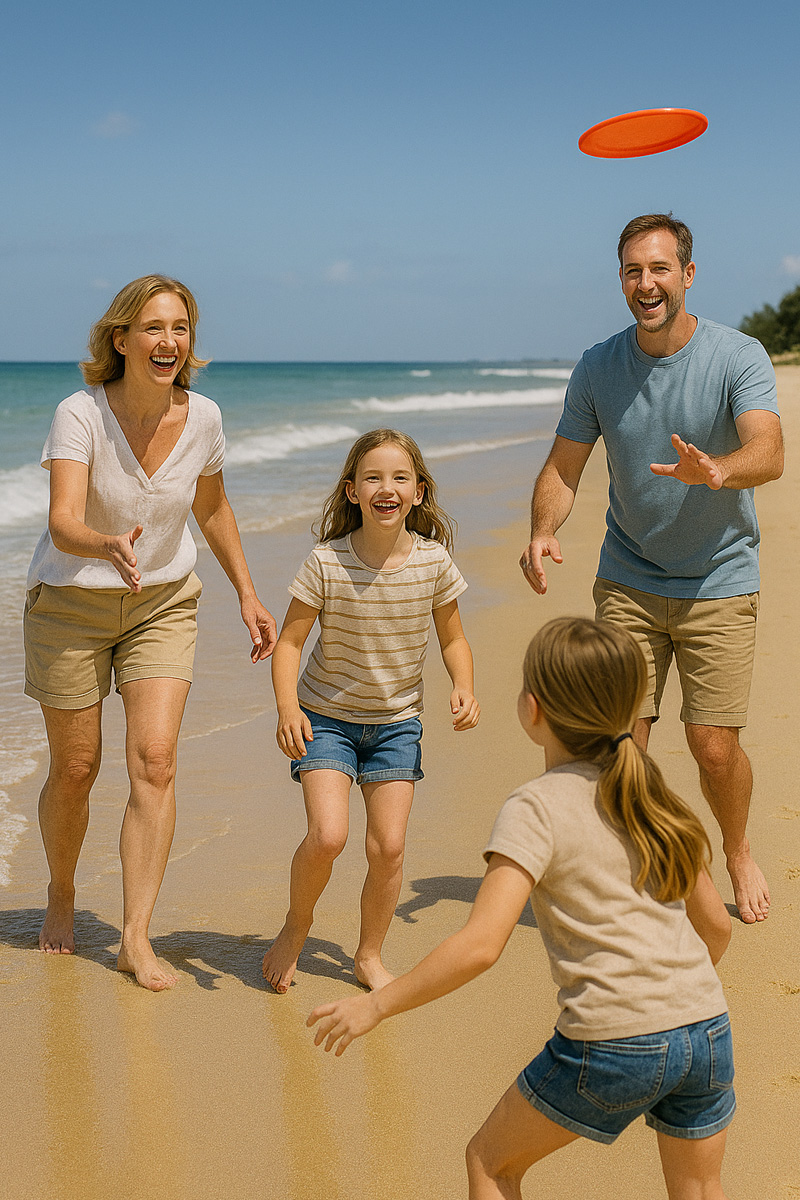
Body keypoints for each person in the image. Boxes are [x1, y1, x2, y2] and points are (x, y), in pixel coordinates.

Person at [309, 617, 735, 1200]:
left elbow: (482, 946)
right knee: (700, 1189)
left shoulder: (535, 807)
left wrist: (379, 1004)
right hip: (706, 1029)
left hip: (614, 1039)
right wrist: (674, 1003)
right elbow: (714, 926)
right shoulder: (656, 795)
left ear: (532, 709)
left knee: (491, 1161)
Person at [519, 212, 784, 925]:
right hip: (630, 577)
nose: (647, 283)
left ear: (688, 275)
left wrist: (719, 470)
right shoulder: (599, 365)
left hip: (718, 577)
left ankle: (736, 848)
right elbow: (565, 464)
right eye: (633, 271)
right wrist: (543, 529)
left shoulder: (738, 356)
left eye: (660, 268)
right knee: (621, 742)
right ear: (621, 280)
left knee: (713, 747)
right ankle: (637, 864)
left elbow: (771, 451)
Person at [24, 274, 277, 991]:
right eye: (154, 327)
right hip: (72, 603)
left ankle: (135, 936)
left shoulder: (204, 419)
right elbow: (63, 520)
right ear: (122, 339)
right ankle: (64, 891)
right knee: (76, 770)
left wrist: (248, 594)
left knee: (156, 760)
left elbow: (214, 509)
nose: (169, 341)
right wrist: (105, 543)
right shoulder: (80, 413)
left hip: (162, 601)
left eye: (181, 328)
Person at [262, 428, 480, 994]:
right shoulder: (326, 562)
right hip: (326, 718)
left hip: (395, 725)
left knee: (388, 847)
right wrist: (288, 708)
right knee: (329, 836)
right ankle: (298, 921)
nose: (387, 488)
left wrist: (464, 684)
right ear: (353, 491)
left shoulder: (433, 563)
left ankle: (368, 955)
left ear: (419, 492)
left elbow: (453, 637)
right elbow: (288, 644)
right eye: (374, 477)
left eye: (400, 478)